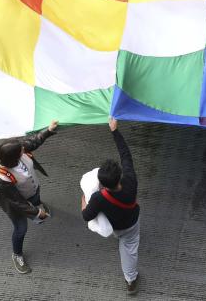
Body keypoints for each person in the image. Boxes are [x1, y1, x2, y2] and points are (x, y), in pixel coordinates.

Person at [0, 120, 59, 274]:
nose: (24, 149)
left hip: (32, 190)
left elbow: (32, 142)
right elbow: (17, 202)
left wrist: (48, 130)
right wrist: (37, 213)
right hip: (18, 203)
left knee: (36, 200)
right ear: (14, 158)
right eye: (20, 151)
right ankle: (17, 254)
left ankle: (38, 204)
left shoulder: (15, 152)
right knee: (20, 229)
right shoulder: (2, 178)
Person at [80, 119, 142, 294]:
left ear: (102, 184)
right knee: (129, 249)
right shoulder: (130, 179)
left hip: (115, 226)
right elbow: (126, 156)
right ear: (119, 175)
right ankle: (130, 280)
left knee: (119, 237)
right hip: (132, 222)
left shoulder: (100, 198)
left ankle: (116, 237)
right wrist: (115, 131)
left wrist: (84, 200)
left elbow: (86, 216)